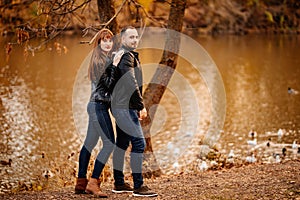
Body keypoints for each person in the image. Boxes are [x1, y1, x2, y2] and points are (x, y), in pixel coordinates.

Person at [111, 26, 158, 197]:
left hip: (122, 106)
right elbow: (130, 81)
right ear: (123, 40)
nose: (134, 40)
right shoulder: (126, 57)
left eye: (136, 37)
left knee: (122, 144)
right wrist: (140, 106)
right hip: (125, 107)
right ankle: (139, 186)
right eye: (130, 37)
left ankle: (119, 183)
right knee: (139, 144)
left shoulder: (126, 55)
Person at [74, 28, 122, 198]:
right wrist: (115, 65)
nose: (108, 43)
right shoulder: (98, 61)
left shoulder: (105, 58)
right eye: (104, 40)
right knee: (109, 143)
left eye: (110, 40)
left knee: (89, 143)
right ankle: (93, 182)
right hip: (98, 106)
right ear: (99, 43)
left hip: (96, 105)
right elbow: (108, 85)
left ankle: (80, 182)